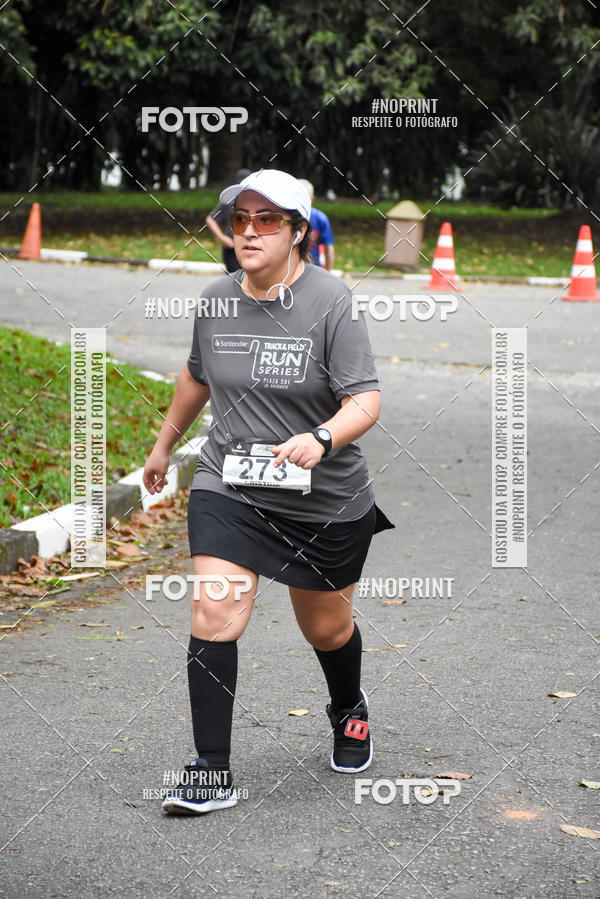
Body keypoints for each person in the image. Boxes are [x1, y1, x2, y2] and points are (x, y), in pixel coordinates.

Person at [143, 168, 394, 816]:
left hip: (324, 498)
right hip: (231, 483)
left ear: (298, 231)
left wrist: (322, 436)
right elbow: (197, 376)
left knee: (327, 628)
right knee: (215, 609)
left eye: (267, 220)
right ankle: (211, 771)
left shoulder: (332, 302)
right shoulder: (215, 299)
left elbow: (365, 399)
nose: (249, 232)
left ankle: (349, 707)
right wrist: (164, 445)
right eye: (241, 220)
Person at [205, 168, 251, 272]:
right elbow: (210, 219)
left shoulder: (256, 203)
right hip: (232, 249)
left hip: (249, 248)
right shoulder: (228, 201)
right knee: (236, 279)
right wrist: (222, 238)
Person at [298, 178, 335, 270]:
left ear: (312, 199)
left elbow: (328, 247)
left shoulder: (320, 218)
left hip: (314, 268)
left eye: (305, 198)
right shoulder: (286, 217)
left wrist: (328, 273)